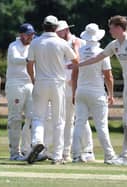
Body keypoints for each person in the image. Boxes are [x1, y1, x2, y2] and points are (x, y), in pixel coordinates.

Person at [69, 15, 127, 166]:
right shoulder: (114, 45)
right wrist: (78, 65)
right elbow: (97, 58)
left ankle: (126, 157)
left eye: (111, 28)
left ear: (119, 28)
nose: (109, 31)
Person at [26, 15, 78, 164]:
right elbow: (75, 61)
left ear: (43, 26)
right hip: (58, 83)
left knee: (38, 117)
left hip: (41, 82)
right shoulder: (61, 43)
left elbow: (29, 64)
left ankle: (37, 142)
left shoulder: (35, 43)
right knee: (58, 120)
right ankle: (57, 156)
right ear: (56, 28)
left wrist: (33, 79)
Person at [71, 23, 116, 163]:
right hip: (97, 92)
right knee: (101, 126)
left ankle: (76, 155)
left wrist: (74, 92)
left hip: (81, 91)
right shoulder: (102, 53)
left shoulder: (80, 52)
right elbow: (108, 77)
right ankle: (109, 156)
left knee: (79, 123)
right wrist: (111, 94)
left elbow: (74, 73)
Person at [56, 20, 94, 162]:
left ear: (65, 30)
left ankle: (88, 150)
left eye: (59, 31)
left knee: (81, 119)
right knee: (67, 119)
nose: (56, 33)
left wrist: (77, 84)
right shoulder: (58, 43)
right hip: (63, 86)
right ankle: (67, 152)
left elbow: (83, 64)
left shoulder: (80, 43)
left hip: (77, 85)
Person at [6, 23, 35, 161]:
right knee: (15, 118)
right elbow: (15, 59)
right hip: (15, 85)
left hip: (30, 84)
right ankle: (14, 153)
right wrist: (30, 59)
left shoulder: (33, 45)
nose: (31, 37)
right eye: (29, 34)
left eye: (32, 34)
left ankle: (27, 150)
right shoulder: (13, 46)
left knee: (32, 118)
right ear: (21, 34)